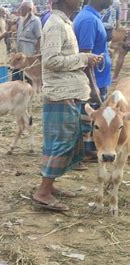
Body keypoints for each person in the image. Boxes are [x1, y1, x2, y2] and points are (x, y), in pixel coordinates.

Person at [33, 0, 102, 211]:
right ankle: (43, 192)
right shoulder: (55, 24)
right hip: (61, 94)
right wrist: (84, 58)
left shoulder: (64, 23)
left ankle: (50, 186)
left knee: (67, 139)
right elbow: (51, 61)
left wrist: (86, 60)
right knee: (60, 142)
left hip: (70, 92)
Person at [74, 0, 113, 161]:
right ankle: (83, 152)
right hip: (93, 79)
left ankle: (88, 149)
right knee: (88, 114)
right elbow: (85, 56)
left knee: (91, 116)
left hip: (99, 77)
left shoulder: (92, 17)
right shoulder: (89, 19)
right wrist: (92, 85)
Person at [13, 2, 42, 81]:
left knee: (30, 73)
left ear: (29, 10)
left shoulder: (36, 21)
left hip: (30, 51)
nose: (20, 10)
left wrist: (37, 53)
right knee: (20, 72)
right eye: (20, 8)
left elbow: (39, 37)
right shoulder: (21, 20)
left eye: (22, 9)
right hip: (20, 51)